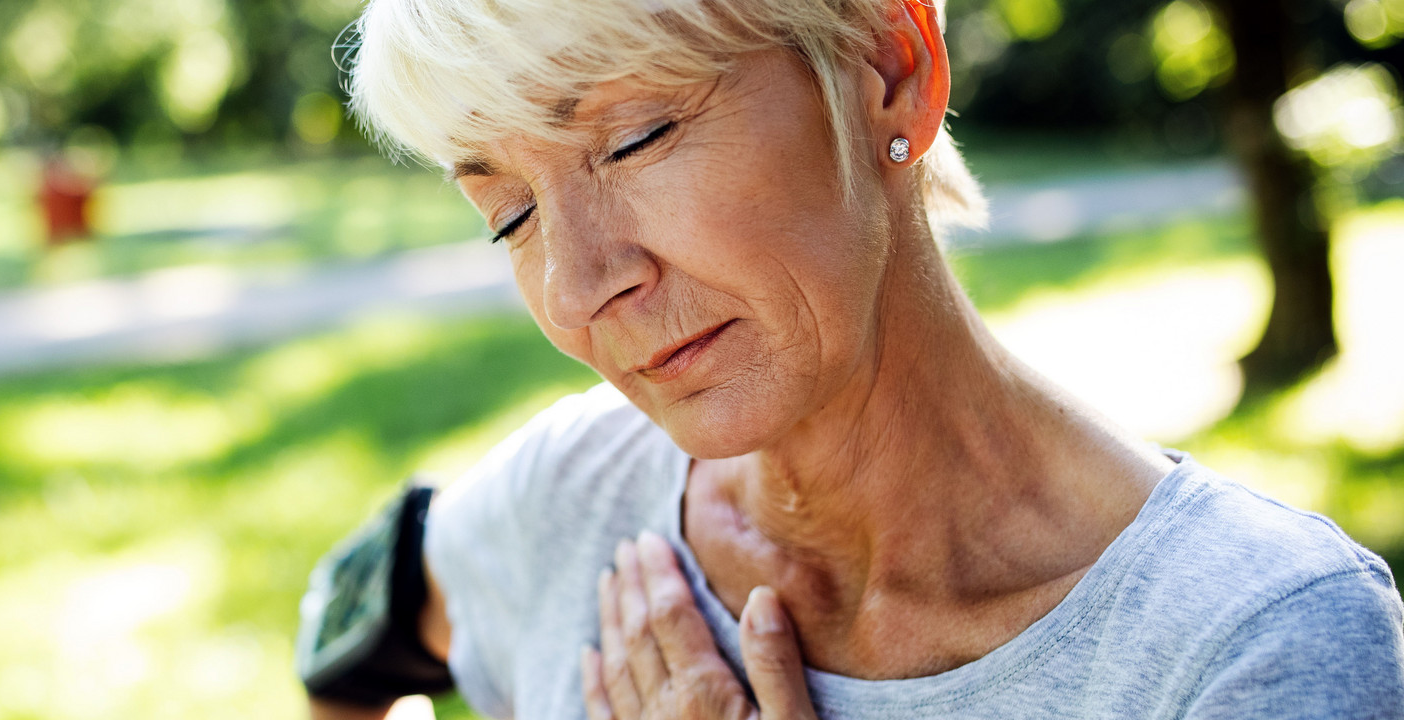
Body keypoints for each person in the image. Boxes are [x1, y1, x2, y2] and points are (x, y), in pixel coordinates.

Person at [302, 0, 1404, 718]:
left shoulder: (1251, 643)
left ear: (891, 67)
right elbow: (357, 611)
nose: (579, 287)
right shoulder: (570, 497)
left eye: (635, 138)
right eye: (508, 212)